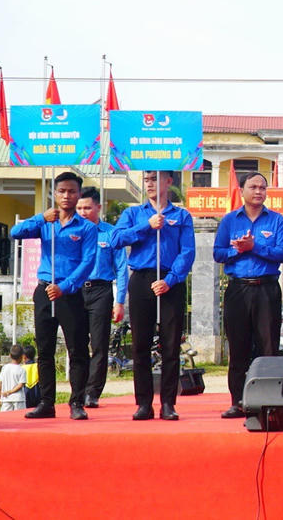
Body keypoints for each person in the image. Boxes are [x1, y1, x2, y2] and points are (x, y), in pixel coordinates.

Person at [10, 170, 97, 420]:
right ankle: (47, 403)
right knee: (45, 349)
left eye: (71, 191)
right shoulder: (46, 222)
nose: (67, 196)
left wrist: (66, 286)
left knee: (77, 350)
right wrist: (40, 218)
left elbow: (88, 262)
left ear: (79, 194)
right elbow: (15, 232)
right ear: (55, 193)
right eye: (62, 191)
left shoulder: (87, 229)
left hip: (69, 294)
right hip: (44, 291)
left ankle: (77, 402)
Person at [111, 170, 195, 421]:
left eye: (155, 179)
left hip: (171, 281)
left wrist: (170, 280)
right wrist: (146, 227)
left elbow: (188, 251)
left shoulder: (181, 215)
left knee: (170, 346)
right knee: (140, 345)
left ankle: (168, 403)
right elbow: (115, 239)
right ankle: (143, 403)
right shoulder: (133, 213)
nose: (149, 184)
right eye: (146, 179)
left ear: (168, 181)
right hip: (142, 279)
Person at [213, 172, 283, 419]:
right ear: (243, 190)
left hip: (267, 288)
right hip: (238, 289)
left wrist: (254, 247)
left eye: (263, 188)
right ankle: (237, 401)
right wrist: (238, 250)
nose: (258, 191)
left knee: (268, 347)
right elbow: (218, 253)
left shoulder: (276, 220)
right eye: (253, 187)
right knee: (238, 348)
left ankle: (268, 402)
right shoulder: (229, 221)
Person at [75, 186, 129, 408]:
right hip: (75, 290)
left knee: (99, 344)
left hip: (101, 291)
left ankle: (92, 392)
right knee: (77, 345)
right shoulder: (69, 231)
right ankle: (77, 390)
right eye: (79, 207)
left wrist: (120, 301)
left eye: (87, 207)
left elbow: (122, 268)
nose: (83, 212)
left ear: (98, 207)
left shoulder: (110, 233)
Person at [0, 345, 28, 413]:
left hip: (6, 398)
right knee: (20, 416)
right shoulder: (22, 370)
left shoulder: (5, 368)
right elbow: (20, 385)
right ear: (22, 356)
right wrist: (10, 392)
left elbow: (0, 383)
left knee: (5, 418)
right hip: (18, 399)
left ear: (10, 355)